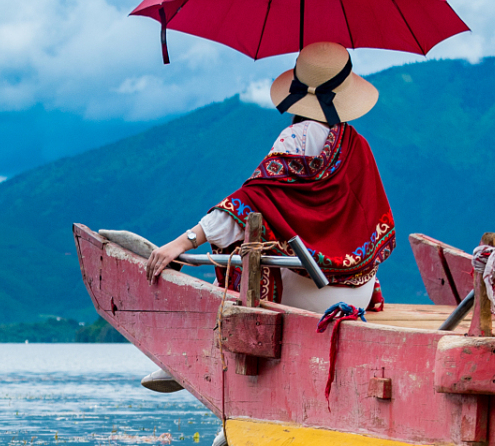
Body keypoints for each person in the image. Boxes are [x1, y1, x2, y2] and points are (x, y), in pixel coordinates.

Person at [143, 42, 395, 320]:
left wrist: (184, 242)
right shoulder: (358, 146)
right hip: (358, 291)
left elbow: (251, 199)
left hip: (315, 294)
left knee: (240, 266)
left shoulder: (298, 136)